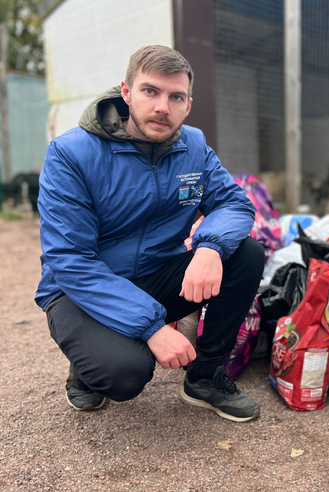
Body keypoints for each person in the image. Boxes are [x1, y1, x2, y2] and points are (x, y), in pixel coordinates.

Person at [36, 45, 265, 423]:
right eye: (150, 91)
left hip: (156, 271)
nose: (163, 107)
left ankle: (206, 379)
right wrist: (151, 327)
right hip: (81, 287)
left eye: (176, 97)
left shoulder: (193, 146)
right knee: (124, 373)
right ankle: (85, 369)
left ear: (188, 105)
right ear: (126, 92)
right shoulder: (70, 154)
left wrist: (209, 248)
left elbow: (235, 205)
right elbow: (70, 260)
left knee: (245, 253)